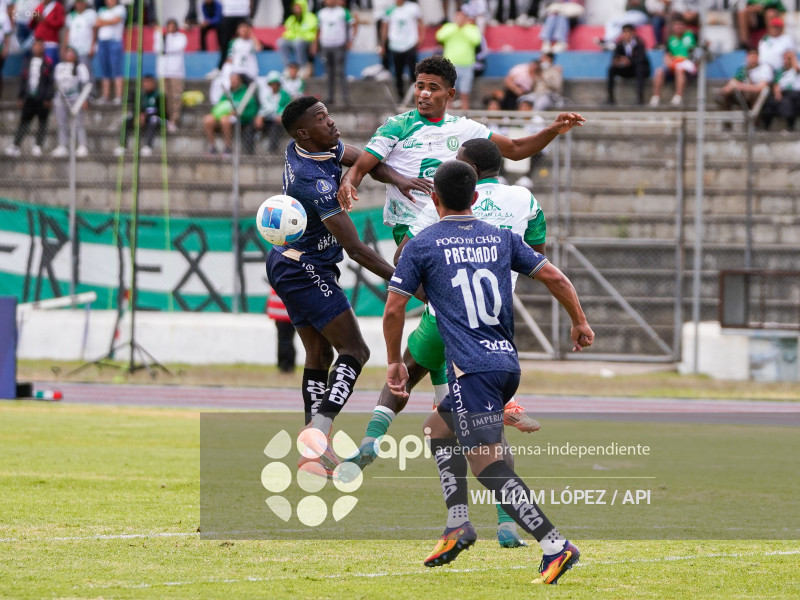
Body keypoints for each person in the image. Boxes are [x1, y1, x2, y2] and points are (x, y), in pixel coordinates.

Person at [384, 159, 593, 581]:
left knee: (487, 467)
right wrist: (580, 321)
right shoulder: (501, 237)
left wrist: (394, 361)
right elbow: (555, 278)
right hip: (505, 365)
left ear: (434, 198)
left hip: (471, 370)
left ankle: (555, 545)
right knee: (436, 430)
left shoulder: (422, 244)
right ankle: (458, 523)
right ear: (476, 197)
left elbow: (393, 308)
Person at [350, 138, 548, 548]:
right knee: (476, 430)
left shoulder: (440, 202)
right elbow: (540, 255)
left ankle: (372, 438)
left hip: (445, 320)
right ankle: (504, 523)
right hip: (493, 329)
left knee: (405, 371)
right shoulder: (522, 199)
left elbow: (409, 252)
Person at [266, 96, 427, 470]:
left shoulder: (312, 148)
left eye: (328, 114)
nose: (332, 122)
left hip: (293, 262)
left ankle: (312, 451)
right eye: (322, 119)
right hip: (305, 268)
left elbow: (365, 161)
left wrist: (399, 179)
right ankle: (318, 434)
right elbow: (355, 249)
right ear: (304, 132)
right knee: (356, 351)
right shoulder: (313, 182)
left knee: (319, 355)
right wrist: (404, 282)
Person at [5, 38, 54, 156]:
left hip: (42, 99)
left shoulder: (48, 63)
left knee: (42, 123)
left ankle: (38, 145)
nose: (37, 48)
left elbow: (50, 82)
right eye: (35, 46)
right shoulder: (27, 62)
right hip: (29, 98)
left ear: (43, 48)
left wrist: (48, 98)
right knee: (24, 122)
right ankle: (16, 145)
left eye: (40, 46)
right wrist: (21, 96)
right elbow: (24, 80)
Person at [203, 71, 258, 156]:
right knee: (208, 119)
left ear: (240, 81)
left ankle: (228, 148)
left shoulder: (246, 94)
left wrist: (237, 114)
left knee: (225, 120)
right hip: (222, 117)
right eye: (231, 79)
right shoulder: (227, 94)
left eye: (235, 79)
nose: (233, 81)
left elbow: (252, 112)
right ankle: (212, 147)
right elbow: (218, 107)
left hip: (240, 120)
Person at [313, 0, 357, 105]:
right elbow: (318, 29)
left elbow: (354, 24)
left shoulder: (343, 12)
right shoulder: (321, 13)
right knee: (329, 72)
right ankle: (330, 97)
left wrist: (350, 40)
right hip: (326, 45)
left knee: (340, 71)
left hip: (339, 45)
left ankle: (345, 97)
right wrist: (315, 43)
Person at [435, 10, 481, 110]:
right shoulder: (449, 27)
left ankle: (465, 117)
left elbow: (476, 40)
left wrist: (462, 29)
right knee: (448, 93)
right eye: (458, 17)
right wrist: (456, 27)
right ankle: (447, 118)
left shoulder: (471, 29)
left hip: (467, 65)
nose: (460, 19)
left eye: (462, 17)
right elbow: (439, 36)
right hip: (451, 66)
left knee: (465, 94)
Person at [52, 45, 90, 157]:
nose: (69, 55)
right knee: (62, 122)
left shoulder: (80, 67)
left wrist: (85, 99)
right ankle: (63, 145)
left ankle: (82, 145)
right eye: (67, 52)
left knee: (79, 123)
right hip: (61, 98)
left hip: (76, 98)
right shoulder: (59, 67)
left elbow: (85, 84)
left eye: (71, 52)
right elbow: (56, 82)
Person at [649, 15, 696, 107]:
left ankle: (678, 97)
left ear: (684, 26)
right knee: (659, 71)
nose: (678, 27)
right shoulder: (670, 39)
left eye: (680, 24)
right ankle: (655, 97)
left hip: (688, 66)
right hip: (674, 64)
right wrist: (669, 62)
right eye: (676, 25)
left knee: (679, 69)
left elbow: (696, 52)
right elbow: (667, 55)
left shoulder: (692, 36)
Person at [382, 0, 424, 101]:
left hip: (410, 44)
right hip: (395, 45)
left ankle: (416, 96)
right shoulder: (389, 10)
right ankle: (400, 97)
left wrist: (421, 37)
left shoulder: (413, 8)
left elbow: (421, 22)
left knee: (414, 72)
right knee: (398, 72)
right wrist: (383, 45)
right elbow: (385, 27)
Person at [114, 73, 162, 157]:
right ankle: (122, 146)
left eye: (148, 82)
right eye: (145, 82)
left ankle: (148, 146)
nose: (146, 84)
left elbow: (158, 110)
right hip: (140, 118)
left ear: (153, 83)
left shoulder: (158, 95)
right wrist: (137, 115)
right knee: (126, 121)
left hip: (153, 119)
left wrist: (145, 114)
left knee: (153, 120)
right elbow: (135, 106)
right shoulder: (140, 94)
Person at [154, 18, 188, 131]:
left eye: (173, 25)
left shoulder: (181, 37)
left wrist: (165, 46)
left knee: (176, 97)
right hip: (163, 71)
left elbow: (176, 48)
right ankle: (165, 119)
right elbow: (156, 48)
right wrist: (161, 38)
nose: (171, 28)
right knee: (164, 96)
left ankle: (174, 120)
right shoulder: (161, 36)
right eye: (169, 25)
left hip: (176, 72)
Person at [606, 23, 651, 105]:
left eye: (628, 32)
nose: (626, 35)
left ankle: (640, 98)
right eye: (624, 32)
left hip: (639, 70)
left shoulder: (639, 43)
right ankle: (610, 98)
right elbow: (615, 57)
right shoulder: (619, 44)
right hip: (627, 70)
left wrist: (629, 61)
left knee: (640, 68)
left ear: (633, 33)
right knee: (611, 69)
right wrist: (617, 61)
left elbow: (641, 59)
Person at [94, 0, 127, 104]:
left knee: (116, 68)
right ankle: (105, 96)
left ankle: (119, 96)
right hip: (103, 41)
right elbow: (97, 23)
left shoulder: (121, 9)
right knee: (105, 69)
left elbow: (116, 20)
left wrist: (104, 22)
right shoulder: (102, 10)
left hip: (115, 41)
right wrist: (109, 22)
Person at [762, 49, 800, 130]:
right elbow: (776, 84)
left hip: (795, 94)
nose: (786, 61)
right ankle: (765, 126)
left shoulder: (796, 68)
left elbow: (797, 68)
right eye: (785, 59)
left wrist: (793, 57)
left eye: (788, 59)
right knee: (770, 102)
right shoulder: (780, 71)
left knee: (788, 101)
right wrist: (777, 93)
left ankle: (790, 126)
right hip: (783, 93)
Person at [277, 0, 318, 78]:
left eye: (298, 7)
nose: (296, 9)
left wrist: (300, 36)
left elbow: (312, 33)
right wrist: (290, 37)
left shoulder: (311, 18)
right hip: (295, 40)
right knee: (281, 42)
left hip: (307, 41)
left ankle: (302, 66)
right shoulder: (291, 19)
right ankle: (289, 67)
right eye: (295, 7)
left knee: (298, 43)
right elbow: (289, 32)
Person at [254, 70, 291, 152]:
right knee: (253, 123)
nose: (274, 86)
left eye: (276, 83)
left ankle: (272, 150)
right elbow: (264, 108)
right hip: (267, 120)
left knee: (275, 127)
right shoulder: (267, 95)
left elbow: (287, 107)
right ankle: (250, 150)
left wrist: (281, 115)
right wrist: (260, 116)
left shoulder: (285, 95)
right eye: (272, 83)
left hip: (279, 121)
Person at [64, 0, 97, 84]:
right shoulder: (70, 16)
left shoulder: (91, 14)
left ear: (85, 3)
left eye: (80, 2)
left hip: (85, 49)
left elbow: (94, 31)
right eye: (77, 3)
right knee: (72, 71)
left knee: (86, 71)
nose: (78, 4)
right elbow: (68, 32)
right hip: (72, 49)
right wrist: (66, 47)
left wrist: (92, 46)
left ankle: (90, 93)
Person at [267, 288, 296, 373]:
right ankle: (287, 365)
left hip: (280, 312)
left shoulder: (277, 276)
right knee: (287, 340)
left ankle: (284, 365)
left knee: (283, 340)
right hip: (288, 313)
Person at [217, 0, 252, 71]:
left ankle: (245, 67)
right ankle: (222, 66)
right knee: (225, 42)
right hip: (228, 12)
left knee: (244, 40)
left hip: (243, 11)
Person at [29, 0, 65, 64]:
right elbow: (31, 25)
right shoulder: (39, 6)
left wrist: (46, 20)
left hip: (50, 42)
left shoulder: (57, 6)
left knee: (49, 65)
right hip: (38, 41)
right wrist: (34, 18)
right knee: (37, 64)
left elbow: (60, 23)